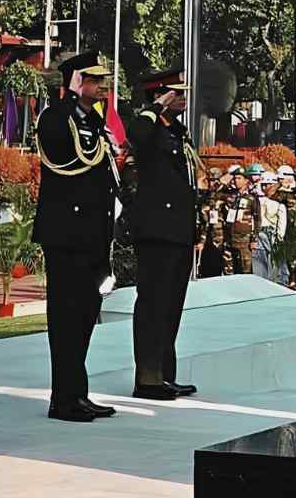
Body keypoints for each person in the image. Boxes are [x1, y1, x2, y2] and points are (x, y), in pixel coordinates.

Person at [34, 51, 119, 423]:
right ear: (75, 82)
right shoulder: (56, 118)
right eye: (94, 80)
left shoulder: (93, 122)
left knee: (85, 316)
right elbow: (62, 154)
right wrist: (68, 99)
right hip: (66, 236)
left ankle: (77, 392)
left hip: (91, 236)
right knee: (66, 317)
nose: (101, 86)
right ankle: (62, 398)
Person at [126, 69, 202, 401]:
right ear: (162, 95)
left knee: (171, 306)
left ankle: (164, 374)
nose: (184, 98)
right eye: (178, 93)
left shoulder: (177, 132)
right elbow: (136, 135)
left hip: (179, 230)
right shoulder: (151, 126)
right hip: (157, 229)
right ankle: (147, 377)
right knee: (153, 304)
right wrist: (154, 107)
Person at [224, 165, 262, 274]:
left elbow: (257, 219)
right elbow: (214, 193)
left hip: (244, 240)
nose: (236, 181)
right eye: (235, 178)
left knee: (245, 270)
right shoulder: (230, 195)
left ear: (246, 180)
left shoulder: (252, 197)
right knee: (229, 272)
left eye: (239, 178)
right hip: (230, 239)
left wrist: (254, 239)